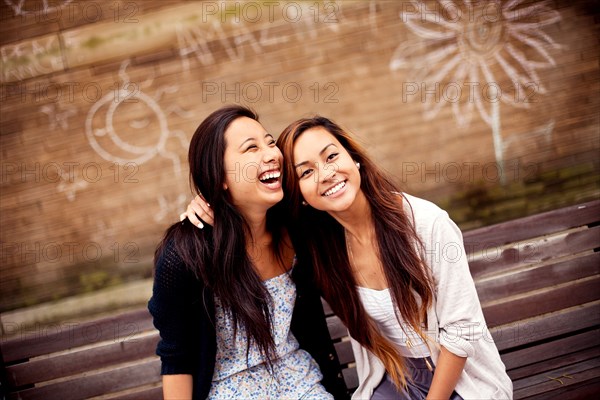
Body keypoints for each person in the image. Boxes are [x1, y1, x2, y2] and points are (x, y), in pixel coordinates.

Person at [185, 115, 513, 399]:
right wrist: (207, 200)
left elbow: (462, 331)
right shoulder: (318, 246)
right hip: (394, 380)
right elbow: (250, 216)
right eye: (306, 172)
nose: (327, 173)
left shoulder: (426, 223)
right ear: (299, 196)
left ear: (353, 158)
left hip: (459, 380)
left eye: (331, 156)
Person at [148, 106, 347, 400]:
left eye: (269, 142)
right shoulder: (185, 256)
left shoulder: (297, 228)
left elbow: (348, 195)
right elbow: (177, 357)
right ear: (220, 177)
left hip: (302, 385)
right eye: (251, 148)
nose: (271, 154)